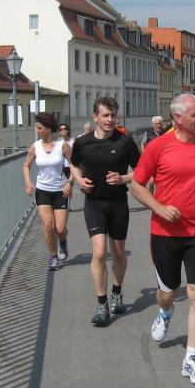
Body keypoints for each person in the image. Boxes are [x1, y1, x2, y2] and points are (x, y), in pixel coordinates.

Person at [130, 93, 195, 385]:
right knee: (169, 291)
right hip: (165, 234)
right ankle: (165, 311)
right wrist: (159, 208)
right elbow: (137, 185)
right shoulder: (158, 147)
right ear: (177, 118)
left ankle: (192, 359)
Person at [70, 97, 141, 327]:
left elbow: (141, 171)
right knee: (99, 252)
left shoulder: (125, 142)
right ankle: (102, 305)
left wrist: (123, 178)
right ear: (95, 117)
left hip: (118, 203)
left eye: (113, 115)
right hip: (94, 204)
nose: (110, 119)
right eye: (105, 115)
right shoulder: (83, 143)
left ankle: (116, 291)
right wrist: (79, 180)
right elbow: (74, 164)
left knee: (118, 253)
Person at [22, 112, 73, 271]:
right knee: (48, 226)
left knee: (60, 229)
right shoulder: (35, 147)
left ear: (49, 129)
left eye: (40, 128)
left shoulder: (62, 146)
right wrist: (28, 182)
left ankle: (63, 242)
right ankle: (53, 257)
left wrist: (70, 182)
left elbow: (75, 165)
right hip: (43, 191)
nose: (37, 131)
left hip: (61, 191)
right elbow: (26, 166)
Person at [59, 122, 75, 208]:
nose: (63, 130)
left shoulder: (73, 141)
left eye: (65, 129)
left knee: (69, 184)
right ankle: (62, 203)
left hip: (70, 167)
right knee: (62, 185)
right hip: (61, 167)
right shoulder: (58, 142)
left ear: (68, 130)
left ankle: (68, 204)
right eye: (61, 129)